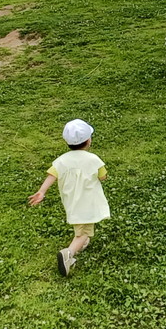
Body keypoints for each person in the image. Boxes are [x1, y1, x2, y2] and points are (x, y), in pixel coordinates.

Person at [28, 118, 109, 277]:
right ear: (88, 141)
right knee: (85, 231)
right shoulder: (94, 160)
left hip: (72, 202)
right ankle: (68, 254)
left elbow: (52, 175)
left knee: (80, 224)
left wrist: (42, 191)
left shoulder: (61, 161)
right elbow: (102, 177)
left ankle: (82, 242)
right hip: (88, 203)